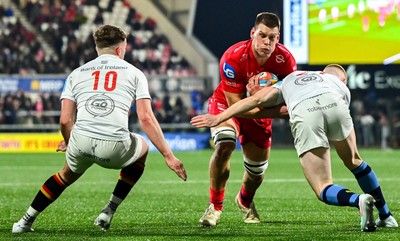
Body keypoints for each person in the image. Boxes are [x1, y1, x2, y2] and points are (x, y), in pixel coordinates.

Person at [12, 25, 187, 234]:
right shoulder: (135, 73)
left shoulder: (76, 74)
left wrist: (69, 142)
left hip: (81, 141)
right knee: (142, 146)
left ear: (97, 48)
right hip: (115, 148)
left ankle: (24, 221)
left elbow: (65, 119)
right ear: (120, 49)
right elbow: (146, 117)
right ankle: (109, 210)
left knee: (65, 175)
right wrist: (169, 155)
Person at [190, 64, 398, 231]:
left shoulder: (286, 80)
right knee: (355, 161)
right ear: (340, 77)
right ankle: (386, 215)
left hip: (305, 110)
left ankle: (358, 200)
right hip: (336, 103)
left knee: (322, 185)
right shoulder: (336, 83)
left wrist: (219, 116)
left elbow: (256, 100)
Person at [198, 12, 297, 227]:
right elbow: (236, 107)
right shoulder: (233, 57)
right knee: (224, 144)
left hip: (259, 112)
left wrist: (260, 101)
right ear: (252, 33)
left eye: (272, 37)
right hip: (227, 105)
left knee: (256, 173)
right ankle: (214, 207)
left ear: (277, 38)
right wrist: (261, 103)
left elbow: (290, 107)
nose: (267, 42)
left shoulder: (286, 61)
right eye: (262, 35)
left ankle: (244, 200)